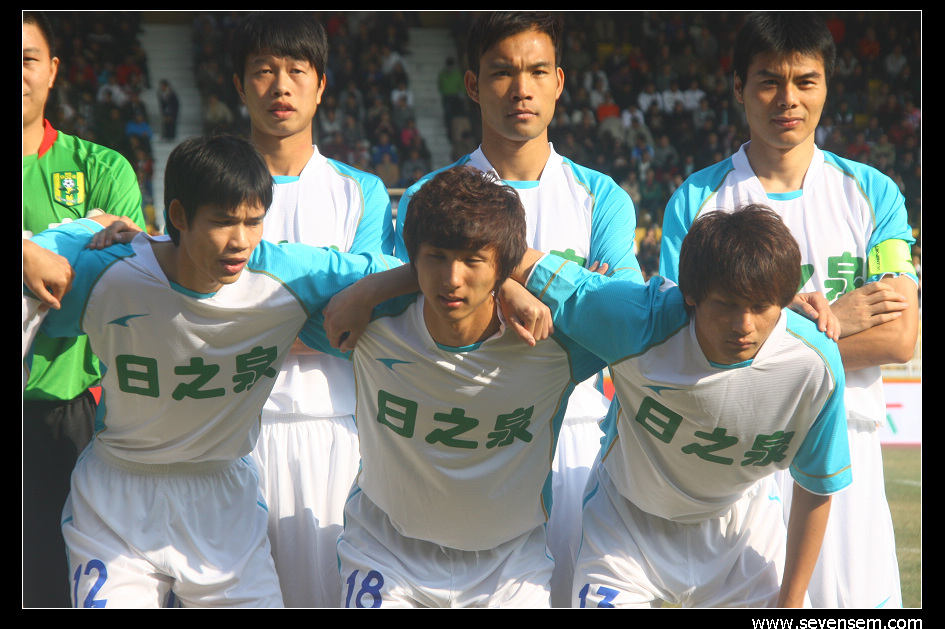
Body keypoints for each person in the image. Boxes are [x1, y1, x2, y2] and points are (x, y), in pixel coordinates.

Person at [21, 133, 401, 608]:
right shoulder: (107, 274)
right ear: (178, 216)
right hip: (116, 503)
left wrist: (376, 290)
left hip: (224, 504)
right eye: (222, 222)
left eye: (254, 221)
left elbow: (408, 275)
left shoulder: (286, 274)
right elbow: (44, 264)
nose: (240, 241)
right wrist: (74, 232)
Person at [658, 11, 918, 609]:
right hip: (741, 454)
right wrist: (832, 324)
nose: (788, 99)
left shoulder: (872, 193)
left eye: (806, 81)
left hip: (848, 447)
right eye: (769, 81)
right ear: (738, 86)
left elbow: (900, 336)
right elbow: (683, 339)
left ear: (827, 86)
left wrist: (766, 342)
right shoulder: (696, 201)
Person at [391, 11, 644, 608]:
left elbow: (622, 319)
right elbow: (417, 315)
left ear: (559, 82)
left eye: (537, 71)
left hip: (579, 433)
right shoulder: (428, 198)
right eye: (502, 72)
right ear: (473, 85)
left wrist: (498, 285)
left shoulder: (601, 197)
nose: (521, 89)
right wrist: (569, 290)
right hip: (469, 436)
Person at [509, 203, 850, 608]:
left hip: (741, 529)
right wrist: (507, 288)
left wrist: (790, 604)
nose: (744, 325)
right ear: (690, 295)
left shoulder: (815, 364)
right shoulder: (636, 319)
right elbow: (496, 254)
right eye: (726, 304)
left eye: (761, 307)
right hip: (626, 529)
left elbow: (815, 487)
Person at [305, 165, 606, 608]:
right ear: (414, 259)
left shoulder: (552, 340)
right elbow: (257, 285)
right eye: (437, 257)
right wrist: (368, 290)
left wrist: (524, 287)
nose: (452, 279)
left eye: (473, 260)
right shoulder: (370, 322)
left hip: (509, 567)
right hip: (386, 551)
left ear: (504, 266)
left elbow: (642, 317)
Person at [228, 11, 394, 609]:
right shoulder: (215, 190)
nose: (281, 86)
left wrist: (254, 314)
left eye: (297, 70)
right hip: (234, 429)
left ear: (320, 85)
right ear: (240, 84)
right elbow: (205, 303)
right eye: (264, 70)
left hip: (338, 426)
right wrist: (327, 305)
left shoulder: (361, 192)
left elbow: (370, 311)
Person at [22, 11, 147, 608]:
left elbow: (124, 278)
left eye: (26, 59)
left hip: (70, 409)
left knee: (60, 585)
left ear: (52, 70)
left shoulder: (100, 168)